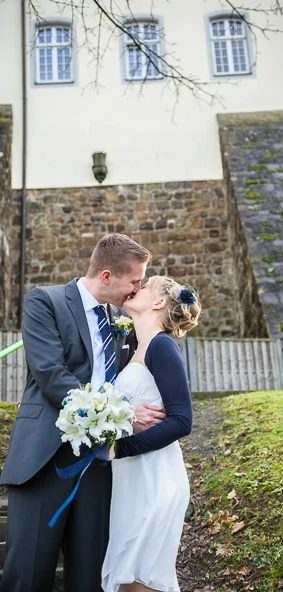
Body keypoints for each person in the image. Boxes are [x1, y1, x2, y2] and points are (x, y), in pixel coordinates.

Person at [0, 233, 166, 592]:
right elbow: (51, 376)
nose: (137, 290)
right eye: (134, 281)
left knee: (91, 577)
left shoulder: (122, 320)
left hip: (100, 467)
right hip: (44, 459)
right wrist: (123, 413)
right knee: (27, 575)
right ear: (107, 276)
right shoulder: (45, 302)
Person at [101, 275, 201, 592]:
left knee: (140, 580)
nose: (135, 289)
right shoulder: (133, 348)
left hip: (155, 479)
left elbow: (182, 420)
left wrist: (120, 449)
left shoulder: (161, 347)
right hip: (132, 483)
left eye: (143, 287)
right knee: (131, 580)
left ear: (157, 302)